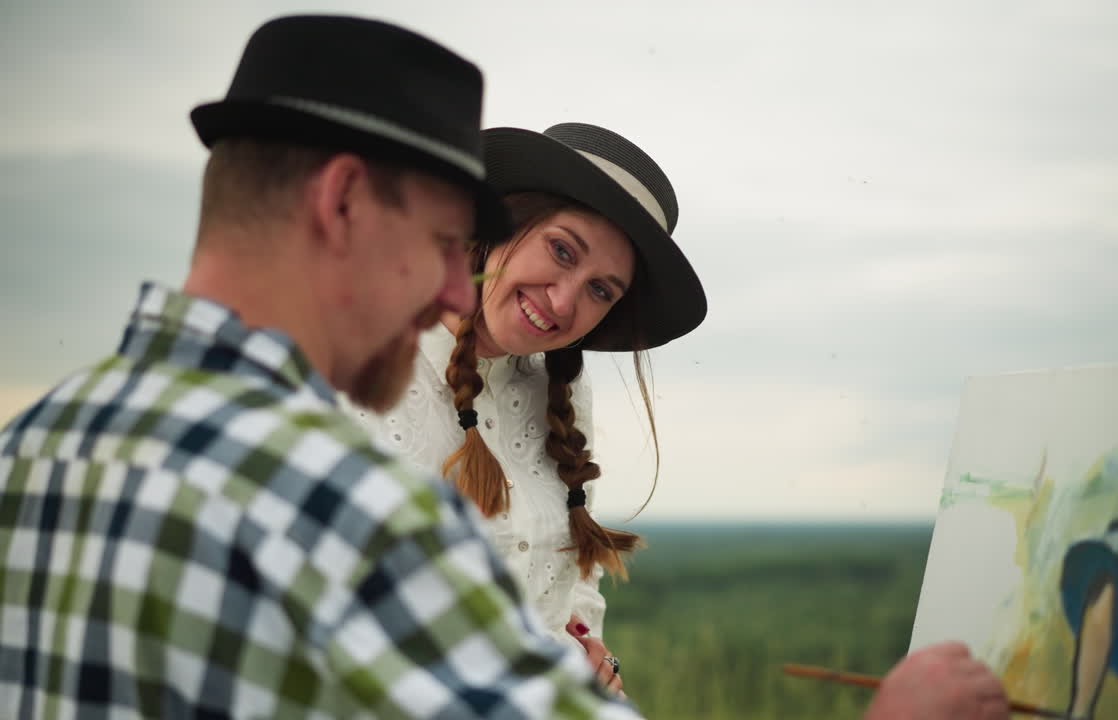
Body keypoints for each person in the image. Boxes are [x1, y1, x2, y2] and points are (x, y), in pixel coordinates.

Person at [0, 13, 1011, 720]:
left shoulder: (34, 448)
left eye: (602, 290)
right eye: (447, 242)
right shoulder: (329, 499)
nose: (454, 294)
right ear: (340, 201)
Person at [348, 122, 707, 696]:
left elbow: (570, 587)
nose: (564, 300)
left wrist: (592, 661)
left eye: (600, 290)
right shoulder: (359, 360)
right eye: (561, 250)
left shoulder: (562, 395)